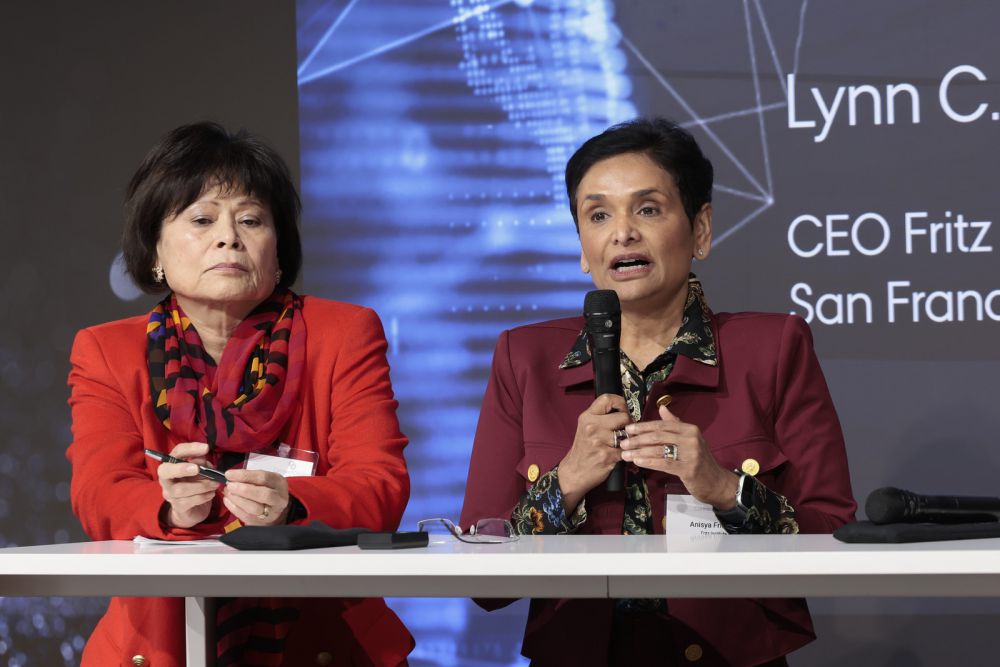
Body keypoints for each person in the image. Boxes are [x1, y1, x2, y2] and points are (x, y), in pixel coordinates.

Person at [460, 118, 856, 666]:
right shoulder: (523, 358)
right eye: (598, 215)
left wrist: (726, 490)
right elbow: (482, 579)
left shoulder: (773, 349)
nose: (622, 233)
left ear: (701, 229)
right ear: (583, 247)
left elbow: (835, 540)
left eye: (647, 209)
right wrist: (566, 482)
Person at [67, 122, 413, 667]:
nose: (228, 237)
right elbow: (99, 493)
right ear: (155, 250)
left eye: (250, 220)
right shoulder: (107, 351)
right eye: (201, 219)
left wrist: (294, 504)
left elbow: (380, 486)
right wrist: (168, 507)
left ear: (279, 252)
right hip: (159, 643)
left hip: (323, 638)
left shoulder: (344, 333)